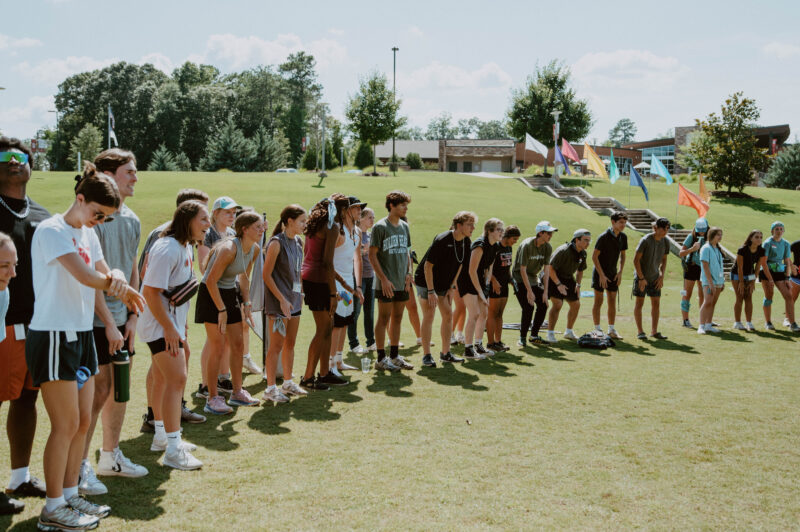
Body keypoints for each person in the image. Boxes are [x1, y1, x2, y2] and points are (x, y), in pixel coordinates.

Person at [26, 167, 144, 530]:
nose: (99, 221)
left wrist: (118, 277)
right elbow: (87, 276)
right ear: (80, 199)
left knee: (81, 422)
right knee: (64, 425)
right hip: (53, 335)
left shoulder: (88, 233)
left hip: (81, 335)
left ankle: (70, 493)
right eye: (97, 213)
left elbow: (106, 270)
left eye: (106, 217)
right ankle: (52, 508)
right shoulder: (51, 230)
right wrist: (118, 284)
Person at [77, 149, 147, 498]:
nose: (135, 177)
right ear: (107, 175)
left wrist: (132, 317)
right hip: (94, 321)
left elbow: (132, 267)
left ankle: (110, 456)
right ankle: (79, 467)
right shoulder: (94, 219)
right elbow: (92, 275)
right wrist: (108, 322)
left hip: (122, 322)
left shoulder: (132, 219)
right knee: (97, 392)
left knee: (119, 389)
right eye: (129, 172)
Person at [139, 200, 209, 471]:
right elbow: (150, 291)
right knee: (176, 379)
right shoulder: (167, 248)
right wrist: (169, 328)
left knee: (162, 378)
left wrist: (178, 324)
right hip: (160, 326)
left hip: (169, 324)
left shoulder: (184, 246)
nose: (208, 225)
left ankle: (161, 436)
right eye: (203, 219)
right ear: (187, 220)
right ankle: (173, 448)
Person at [0, 138, 49, 515]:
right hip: (2, 326)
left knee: (27, 399)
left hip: (38, 325)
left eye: (22, 157)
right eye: (5, 157)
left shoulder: (44, 217)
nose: (15, 162)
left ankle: (19, 477)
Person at [196, 211, 264, 414]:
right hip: (211, 294)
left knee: (238, 344)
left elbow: (244, 277)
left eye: (262, 226)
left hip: (229, 292)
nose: (262, 230)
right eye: (258, 227)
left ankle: (237, 393)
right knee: (217, 346)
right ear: (244, 229)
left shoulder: (255, 249)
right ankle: (212, 398)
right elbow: (210, 281)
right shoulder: (228, 249)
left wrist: (246, 302)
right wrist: (222, 309)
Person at [414, 211, 476, 367]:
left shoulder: (466, 242)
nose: (473, 228)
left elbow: (460, 265)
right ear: (459, 225)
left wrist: (452, 286)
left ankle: (445, 353)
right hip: (426, 280)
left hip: (444, 283)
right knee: (429, 314)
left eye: (473, 224)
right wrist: (430, 291)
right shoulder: (442, 239)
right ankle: (427, 355)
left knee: (448, 314)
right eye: (469, 224)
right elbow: (428, 266)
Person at [300, 196, 349, 389]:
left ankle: (324, 373)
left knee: (328, 327)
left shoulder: (315, 224)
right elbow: (327, 263)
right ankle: (308, 377)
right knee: (323, 329)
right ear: (341, 210)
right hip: (319, 281)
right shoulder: (332, 227)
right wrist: (333, 294)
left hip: (311, 278)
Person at [262, 205, 308, 403]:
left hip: (294, 301)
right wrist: (281, 299)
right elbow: (266, 275)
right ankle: (270, 389)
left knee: (290, 343)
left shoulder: (298, 242)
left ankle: (288, 383)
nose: (305, 225)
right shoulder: (275, 243)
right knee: (276, 346)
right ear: (289, 221)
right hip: (279, 304)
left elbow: (299, 271)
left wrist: (301, 292)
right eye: (302, 221)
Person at [196, 196, 239, 400]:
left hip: (229, 289)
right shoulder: (208, 234)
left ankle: (222, 377)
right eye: (227, 212)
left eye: (234, 212)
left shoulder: (232, 233)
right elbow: (204, 267)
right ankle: (206, 384)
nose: (232, 216)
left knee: (227, 338)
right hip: (213, 291)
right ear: (216, 213)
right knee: (213, 341)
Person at [369, 191, 414, 371]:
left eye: (406, 205)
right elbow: (372, 255)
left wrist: (409, 273)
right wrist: (384, 279)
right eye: (402, 205)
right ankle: (381, 358)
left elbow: (408, 252)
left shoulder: (405, 226)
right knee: (384, 318)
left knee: (398, 317)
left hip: (402, 281)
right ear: (391, 206)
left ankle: (394, 356)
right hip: (386, 283)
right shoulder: (380, 227)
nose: (405, 208)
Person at [329, 197, 365, 377]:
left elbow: (357, 259)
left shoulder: (357, 232)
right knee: (336, 323)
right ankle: (330, 365)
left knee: (344, 322)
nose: (360, 211)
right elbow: (327, 261)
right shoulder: (337, 231)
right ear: (346, 211)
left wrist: (357, 285)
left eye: (360, 208)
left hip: (350, 285)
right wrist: (338, 285)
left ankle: (339, 360)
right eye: (356, 208)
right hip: (337, 285)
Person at [459, 218, 504, 359]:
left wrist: (486, 286)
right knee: (474, 313)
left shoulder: (495, 246)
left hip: (480, 281)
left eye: (502, 230)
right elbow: (471, 270)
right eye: (498, 229)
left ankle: (478, 345)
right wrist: (480, 292)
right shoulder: (480, 245)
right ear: (489, 231)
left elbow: (489, 267)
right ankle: (468, 349)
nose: (501, 232)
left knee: (484, 313)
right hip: (467, 280)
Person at [512, 221, 556, 347]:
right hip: (519, 278)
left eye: (551, 233)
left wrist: (545, 292)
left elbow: (546, 270)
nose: (551, 235)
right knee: (528, 306)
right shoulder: (527, 245)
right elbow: (522, 270)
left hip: (533, 278)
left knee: (543, 304)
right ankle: (522, 338)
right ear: (540, 233)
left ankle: (534, 336)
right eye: (548, 233)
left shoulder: (547, 247)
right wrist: (529, 291)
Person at [545, 229, 591, 343]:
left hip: (568, 278)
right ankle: (550, 333)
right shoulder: (563, 250)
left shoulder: (583, 253)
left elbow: (580, 270)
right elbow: (550, 268)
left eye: (589, 240)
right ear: (577, 240)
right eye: (585, 240)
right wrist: (558, 284)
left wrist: (578, 285)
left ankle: (569, 332)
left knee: (576, 304)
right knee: (558, 304)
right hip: (552, 277)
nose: (588, 243)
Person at [591, 212, 628, 339]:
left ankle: (611, 330)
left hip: (613, 274)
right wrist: (601, 275)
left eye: (625, 222)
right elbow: (594, 257)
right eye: (621, 222)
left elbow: (623, 255)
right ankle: (597, 330)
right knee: (598, 301)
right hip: (599, 273)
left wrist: (620, 272)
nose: (623, 225)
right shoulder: (603, 237)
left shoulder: (623, 237)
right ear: (613, 222)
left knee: (612, 300)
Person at [633, 218, 671, 340]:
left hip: (655, 277)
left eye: (667, 229)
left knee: (656, 303)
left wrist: (661, 276)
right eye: (664, 229)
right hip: (641, 277)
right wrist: (641, 278)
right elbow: (636, 260)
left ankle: (654, 331)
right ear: (656, 228)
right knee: (639, 303)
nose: (666, 231)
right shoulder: (645, 240)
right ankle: (640, 331)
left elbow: (664, 260)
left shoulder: (666, 241)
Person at [487, 225, 520, 352]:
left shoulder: (509, 247)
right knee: (492, 313)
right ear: (507, 236)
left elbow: (507, 267)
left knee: (500, 314)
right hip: (494, 284)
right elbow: (486, 268)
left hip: (504, 284)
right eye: (514, 239)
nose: (515, 241)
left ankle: (498, 341)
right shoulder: (495, 247)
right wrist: (493, 281)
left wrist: (511, 280)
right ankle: (490, 343)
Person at [348, 208, 376, 355]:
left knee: (369, 312)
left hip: (371, 276)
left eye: (373, 217)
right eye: (370, 217)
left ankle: (371, 342)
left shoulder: (371, 235)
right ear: (362, 219)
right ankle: (353, 344)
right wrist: (364, 251)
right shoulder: (355, 233)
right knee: (355, 311)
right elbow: (351, 255)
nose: (372, 220)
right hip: (358, 278)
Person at [761, 221, 799, 331]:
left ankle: (792, 323)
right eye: (776, 229)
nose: (779, 231)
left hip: (779, 272)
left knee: (788, 296)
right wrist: (770, 279)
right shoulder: (767, 243)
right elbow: (764, 262)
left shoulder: (786, 243)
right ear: (772, 231)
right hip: (767, 272)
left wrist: (787, 278)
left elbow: (787, 261)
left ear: (783, 231)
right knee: (769, 296)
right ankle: (768, 322)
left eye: (781, 229)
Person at [733, 230, 769, 331]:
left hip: (750, 274)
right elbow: (740, 268)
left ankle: (749, 323)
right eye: (756, 237)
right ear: (750, 238)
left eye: (761, 237)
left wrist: (753, 281)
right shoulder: (742, 249)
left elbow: (757, 267)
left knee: (748, 297)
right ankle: (737, 323)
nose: (759, 239)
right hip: (737, 274)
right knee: (740, 296)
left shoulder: (761, 250)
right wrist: (741, 282)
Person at [679, 218, 709, 328]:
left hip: (704, 268)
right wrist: (692, 249)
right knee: (687, 294)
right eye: (699, 231)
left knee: (703, 295)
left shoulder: (710, 237)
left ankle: (704, 320)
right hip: (691, 267)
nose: (701, 233)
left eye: (703, 230)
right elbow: (681, 253)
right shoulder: (691, 237)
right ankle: (685, 320)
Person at [697, 227, 725, 334]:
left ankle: (708, 325)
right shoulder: (706, 248)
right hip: (709, 281)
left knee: (713, 303)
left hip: (718, 281)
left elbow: (720, 266)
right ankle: (701, 326)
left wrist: (722, 281)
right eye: (718, 234)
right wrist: (710, 283)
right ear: (712, 235)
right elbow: (705, 266)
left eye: (721, 235)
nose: (720, 237)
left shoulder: (717, 248)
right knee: (707, 302)